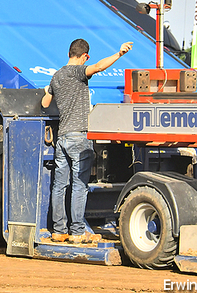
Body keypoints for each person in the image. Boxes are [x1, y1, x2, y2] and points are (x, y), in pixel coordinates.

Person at [41, 39, 133, 244]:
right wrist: (119, 54)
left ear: (68, 53)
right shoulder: (78, 72)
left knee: (59, 186)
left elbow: (45, 103)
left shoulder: (56, 76)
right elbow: (99, 67)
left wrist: (50, 90)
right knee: (79, 186)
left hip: (62, 137)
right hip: (79, 137)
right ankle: (76, 231)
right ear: (85, 56)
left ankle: (58, 230)